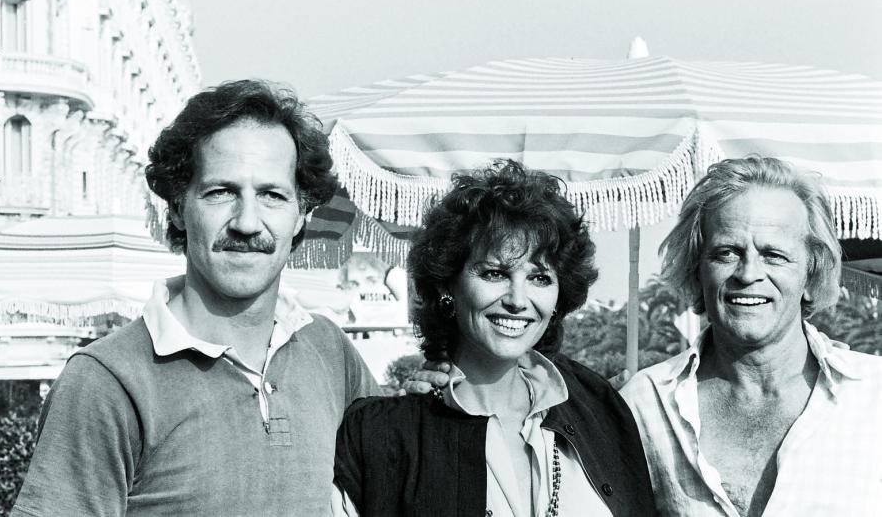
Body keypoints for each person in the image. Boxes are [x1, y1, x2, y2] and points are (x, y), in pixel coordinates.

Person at [12, 80, 381, 516]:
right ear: (176, 206)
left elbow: (398, 474)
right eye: (220, 192)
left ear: (302, 214)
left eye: (272, 195)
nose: (247, 222)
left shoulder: (328, 349)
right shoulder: (107, 381)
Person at [333, 160, 657, 517]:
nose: (518, 300)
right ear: (446, 284)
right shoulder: (383, 437)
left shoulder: (598, 410)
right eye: (494, 273)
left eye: (540, 278)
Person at [619, 156, 882, 516]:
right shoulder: (645, 403)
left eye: (774, 255)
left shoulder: (873, 396)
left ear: (812, 271)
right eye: (727, 253)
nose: (748, 274)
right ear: (697, 269)